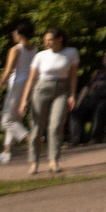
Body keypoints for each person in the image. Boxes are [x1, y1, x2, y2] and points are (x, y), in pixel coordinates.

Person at [23, 29, 75, 175]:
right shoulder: (40, 55)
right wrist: (24, 99)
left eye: (49, 40)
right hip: (42, 89)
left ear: (59, 39)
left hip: (62, 89)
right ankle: (34, 163)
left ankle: (53, 161)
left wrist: (72, 95)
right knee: (37, 127)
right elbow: (32, 78)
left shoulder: (71, 52)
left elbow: (73, 76)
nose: (46, 43)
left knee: (56, 126)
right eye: (45, 40)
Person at [0, 23, 30, 165]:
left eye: (14, 33)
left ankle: (31, 139)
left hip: (17, 85)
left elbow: (7, 71)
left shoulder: (15, 50)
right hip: (28, 85)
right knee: (14, 120)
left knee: (6, 121)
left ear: (20, 34)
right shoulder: (34, 48)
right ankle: (6, 152)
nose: (13, 35)